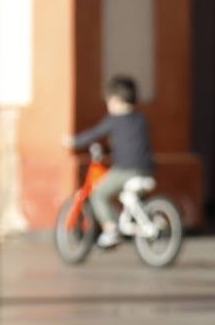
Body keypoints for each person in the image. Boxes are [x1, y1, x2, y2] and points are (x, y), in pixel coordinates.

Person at [62, 75, 154, 248]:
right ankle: (128, 221)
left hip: (125, 170)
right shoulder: (141, 119)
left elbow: (94, 134)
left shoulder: (114, 120)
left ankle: (110, 229)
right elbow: (131, 143)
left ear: (116, 100)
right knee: (124, 196)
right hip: (146, 169)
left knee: (99, 194)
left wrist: (73, 142)